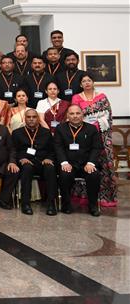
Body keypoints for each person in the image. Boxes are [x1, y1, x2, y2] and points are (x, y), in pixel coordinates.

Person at [71, 74, 116, 207]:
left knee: (104, 164)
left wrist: (97, 124)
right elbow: (75, 115)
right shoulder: (76, 98)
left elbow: (108, 115)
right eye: (83, 81)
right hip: (84, 135)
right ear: (80, 84)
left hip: (102, 134)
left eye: (89, 80)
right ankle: (84, 197)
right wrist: (88, 126)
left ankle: (106, 197)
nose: (86, 83)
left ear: (93, 82)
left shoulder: (102, 97)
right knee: (86, 161)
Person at [54, 105, 102, 216]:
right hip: (69, 164)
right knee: (64, 174)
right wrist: (64, 162)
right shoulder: (60, 129)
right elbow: (58, 147)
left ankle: (93, 205)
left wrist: (90, 163)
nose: (75, 116)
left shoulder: (91, 129)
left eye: (77, 113)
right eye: (72, 114)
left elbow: (96, 147)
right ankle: (66, 204)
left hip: (86, 164)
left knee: (94, 175)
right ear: (67, 115)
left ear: (82, 114)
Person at [12, 109, 58, 216]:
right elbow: (14, 150)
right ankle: (25, 204)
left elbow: (52, 150)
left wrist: (49, 158)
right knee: (27, 168)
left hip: (42, 161)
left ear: (38, 118)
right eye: (29, 117)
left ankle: (51, 204)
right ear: (25, 119)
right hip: (26, 162)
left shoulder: (46, 133)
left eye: (34, 117)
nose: (31, 119)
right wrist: (21, 158)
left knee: (50, 168)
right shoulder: (17, 133)